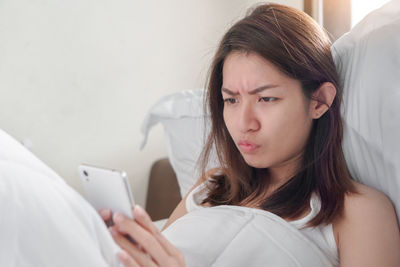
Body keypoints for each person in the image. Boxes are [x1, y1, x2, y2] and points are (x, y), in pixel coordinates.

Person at [100, 3, 400, 266]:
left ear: (319, 101)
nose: (244, 123)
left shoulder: (357, 213)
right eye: (231, 100)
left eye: (266, 99)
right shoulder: (209, 189)